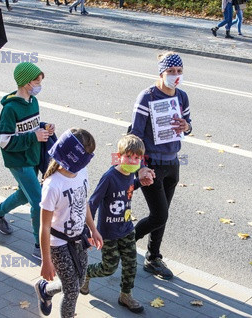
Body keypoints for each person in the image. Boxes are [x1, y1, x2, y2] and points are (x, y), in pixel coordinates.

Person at [130, 52, 192, 280]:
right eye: (171, 72)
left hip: (172, 163)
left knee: (163, 213)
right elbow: (135, 136)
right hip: (152, 164)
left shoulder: (182, 97)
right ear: (161, 73)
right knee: (159, 215)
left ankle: (153, 257)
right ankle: (123, 243)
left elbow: (189, 126)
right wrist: (141, 167)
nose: (176, 76)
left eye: (179, 72)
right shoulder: (147, 97)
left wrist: (186, 126)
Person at [0, 62, 55, 260]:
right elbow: (4, 141)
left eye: (40, 80)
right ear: (25, 83)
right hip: (18, 161)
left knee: (24, 195)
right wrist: (34, 136)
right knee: (38, 201)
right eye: (36, 81)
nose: (39, 84)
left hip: (32, 157)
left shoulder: (33, 101)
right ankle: (38, 245)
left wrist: (44, 127)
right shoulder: (10, 110)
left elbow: (30, 126)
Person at [34, 128, 103, 318]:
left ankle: (45, 290)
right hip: (58, 244)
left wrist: (93, 229)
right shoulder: (53, 185)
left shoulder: (82, 172)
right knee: (72, 291)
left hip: (79, 238)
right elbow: (45, 227)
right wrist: (46, 261)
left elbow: (84, 202)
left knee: (79, 281)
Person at [80, 134, 151, 314]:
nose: (133, 161)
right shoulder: (109, 177)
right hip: (108, 233)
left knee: (131, 265)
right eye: (129, 156)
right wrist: (91, 230)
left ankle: (125, 295)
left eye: (137, 158)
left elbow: (127, 187)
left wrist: (140, 182)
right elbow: (93, 203)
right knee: (108, 268)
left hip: (127, 229)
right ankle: (86, 273)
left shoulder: (130, 173)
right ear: (119, 156)